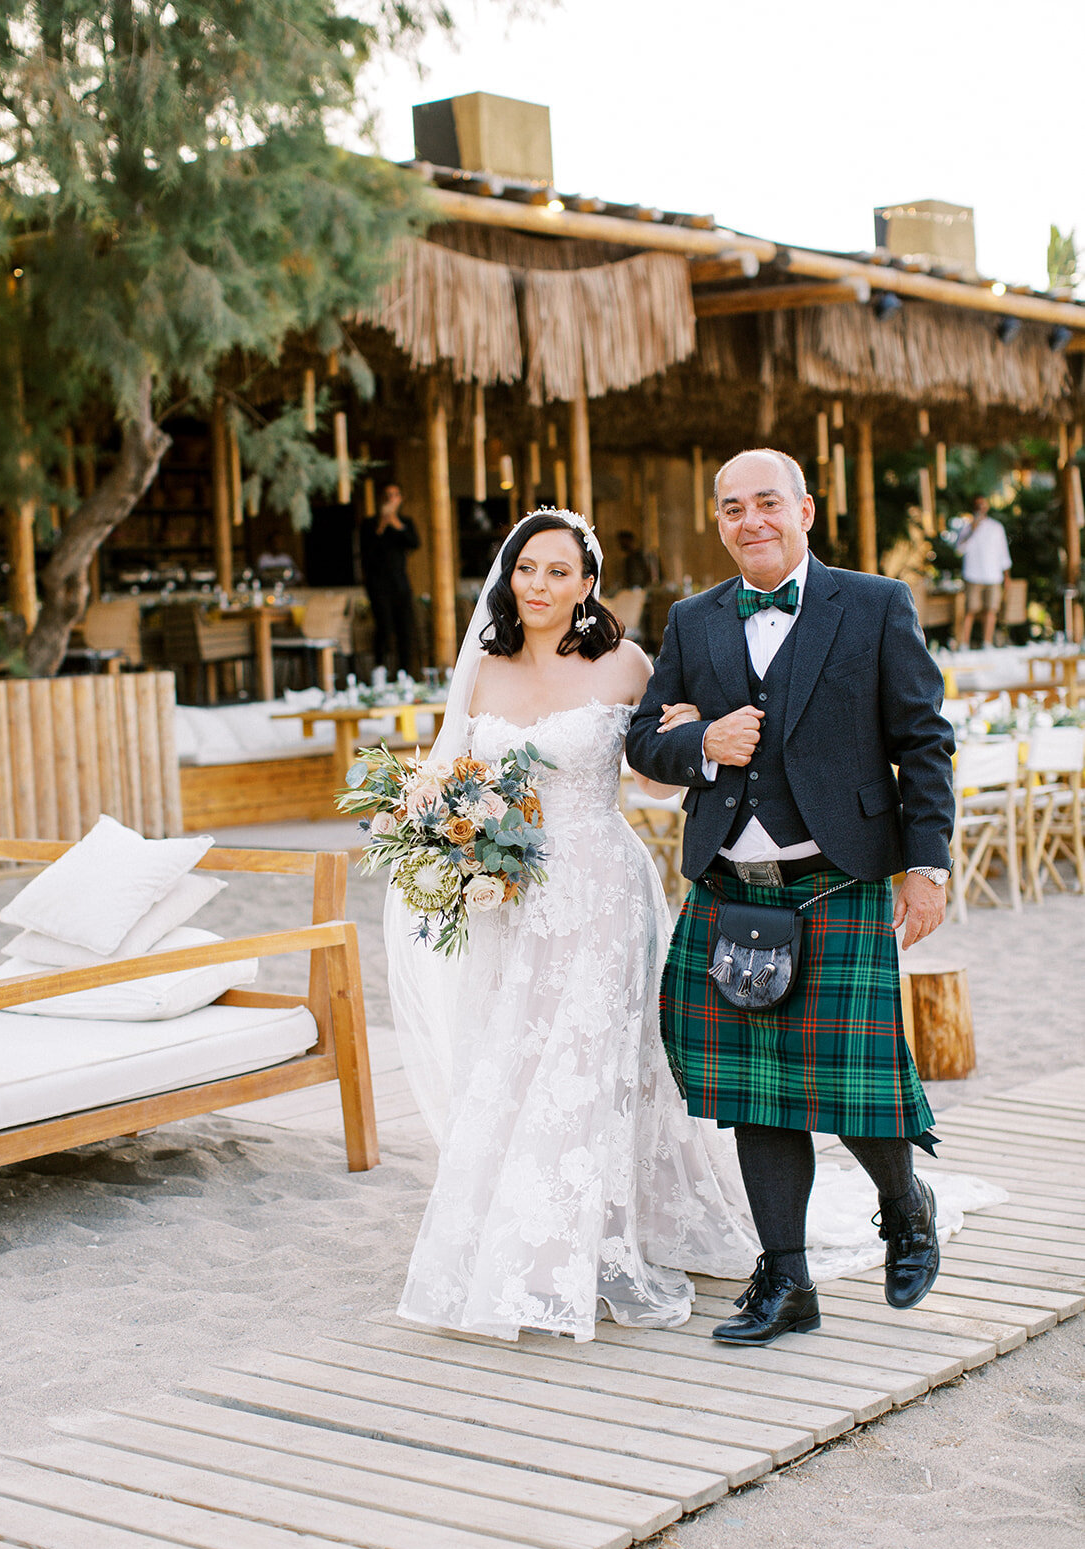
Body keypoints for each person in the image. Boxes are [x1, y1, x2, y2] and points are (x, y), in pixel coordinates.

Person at [393, 509, 761, 1341]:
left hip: (600, 891)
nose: (539, 585)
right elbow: (451, 767)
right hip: (507, 898)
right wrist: (433, 807)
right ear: (507, 575)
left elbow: (664, 779)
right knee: (511, 1054)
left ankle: (585, 1235)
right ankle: (515, 1228)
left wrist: (693, 737)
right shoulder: (481, 670)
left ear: (587, 585)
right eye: (527, 569)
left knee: (592, 1060)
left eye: (559, 572)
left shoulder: (626, 664)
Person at [626, 448, 958, 1347]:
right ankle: (787, 1282)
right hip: (734, 887)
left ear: (805, 509)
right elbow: (643, 742)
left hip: (840, 878)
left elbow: (924, 742)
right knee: (755, 1093)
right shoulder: (693, 621)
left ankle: (905, 1201)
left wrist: (926, 868)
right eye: (732, 509)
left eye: (767, 502)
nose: (751, 521)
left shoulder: (877, 604)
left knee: (855, 1084)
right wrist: (701, 742)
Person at [359, 484, 420, 675]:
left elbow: (414, 542)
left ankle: (405, 673)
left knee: (405, 628)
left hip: (400, 582)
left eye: (394, 495)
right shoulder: (369, 524)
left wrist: (394, 522)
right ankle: (380, 670)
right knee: (384, 627)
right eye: (387, 495)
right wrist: (382, 524)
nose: (390, 499)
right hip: (377, 584)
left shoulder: (405, 522)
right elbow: (367, 550)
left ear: (400, 499)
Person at [956, 495, 1012, 649]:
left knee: (991, 610)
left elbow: (1003, 553)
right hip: (973, 575)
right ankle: (964, 643)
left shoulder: (996, 527)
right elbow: (959, 550)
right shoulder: (966, 527)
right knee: (970, 610)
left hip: (993, 575)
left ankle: (987, 642)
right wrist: (972, 530)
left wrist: (1007, 575)